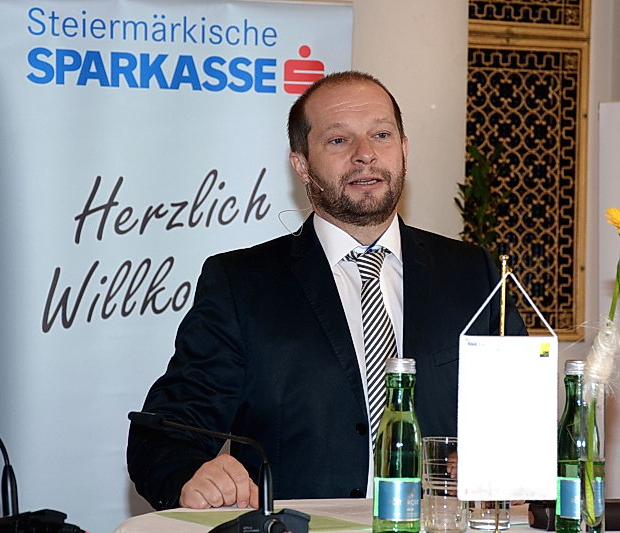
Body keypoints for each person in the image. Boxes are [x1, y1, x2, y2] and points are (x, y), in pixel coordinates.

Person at [127, 71, 526, 511]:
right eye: (338, 140)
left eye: (381, 135)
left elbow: (522, 417)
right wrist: (191, 473)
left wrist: (506, 458)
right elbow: (166, 430)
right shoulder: (241, 283)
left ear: (404, 150)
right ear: (301, 164)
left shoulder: (475, 274)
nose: (365, 154)